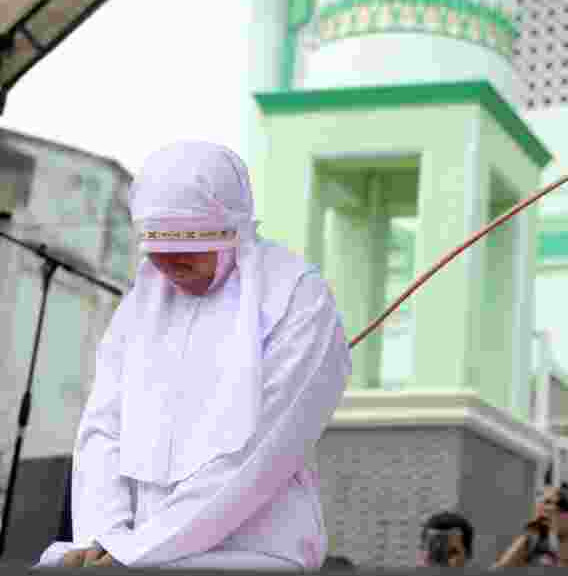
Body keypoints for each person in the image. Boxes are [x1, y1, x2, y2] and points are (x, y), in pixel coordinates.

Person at [34, 141, 352, 569]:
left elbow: (261, 450)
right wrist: (102, 537)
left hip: (254, 555)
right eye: (157, 248)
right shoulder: (140, 305)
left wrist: (140, 550)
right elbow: (103, 429)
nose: (167, 263)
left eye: (186, 245)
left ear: (230, 229)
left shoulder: (296, 296)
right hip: (128, 556)